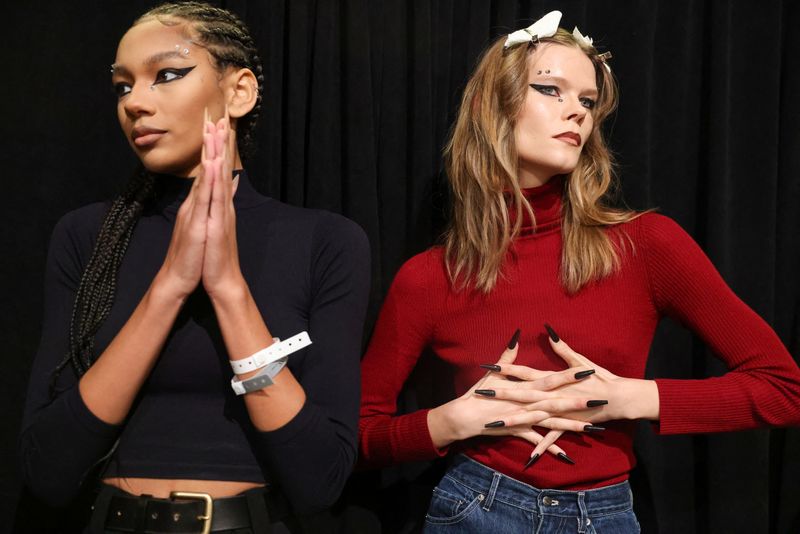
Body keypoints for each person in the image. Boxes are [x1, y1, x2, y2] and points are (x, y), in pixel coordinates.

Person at [358, 10, 800, 533]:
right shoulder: (430, 277)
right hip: (472, 507)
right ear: (492, 106)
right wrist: (450, 420)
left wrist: (629, 399)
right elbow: (361, 436)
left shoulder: (646, 245)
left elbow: (782, 388)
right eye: (552, 90)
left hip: (603, 515)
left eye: (588, 101)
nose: (578, 114)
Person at [19, 2, 370, 533]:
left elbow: (319, 478)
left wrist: (229, 289)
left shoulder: (326, 242)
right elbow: (47, 470)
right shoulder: (87, 237)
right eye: (122, 86)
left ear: (239, 92)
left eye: (166, 75)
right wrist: (170, 287)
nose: (135, 102)